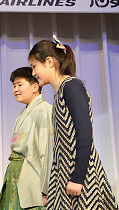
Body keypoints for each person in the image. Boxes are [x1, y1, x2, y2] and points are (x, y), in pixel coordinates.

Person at [29, 35, 118, 209]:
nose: (33, 73)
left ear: (49, 62)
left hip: (80, 176)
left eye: (34, 66)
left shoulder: (71, 86)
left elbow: (84, 132)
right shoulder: (59, 91)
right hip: (64, 173)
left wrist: (77, 177)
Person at [0, 67, 53, 210]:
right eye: (14, 85)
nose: (15, 89)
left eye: (20, 85)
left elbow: (46, 153)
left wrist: (46, 190)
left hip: (32, 180)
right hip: (17, 176)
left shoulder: (44, 110)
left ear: (35, 87)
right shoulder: (25, 112)